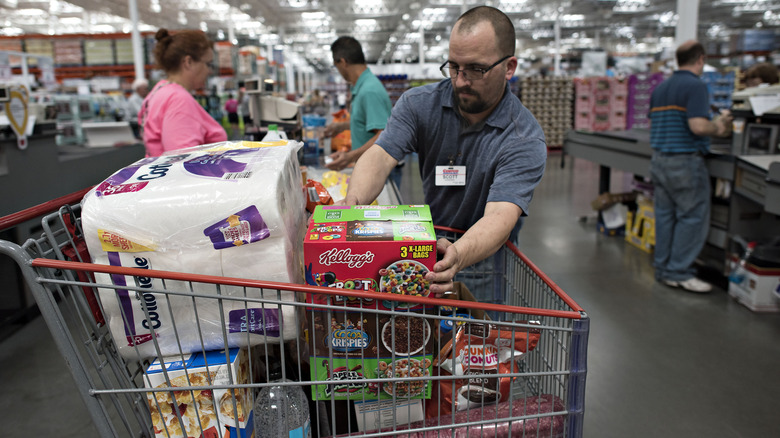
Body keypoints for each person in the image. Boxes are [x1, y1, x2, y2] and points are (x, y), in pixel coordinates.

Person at [341, 6, 547, 298]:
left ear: (509, 67)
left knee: (476, 339)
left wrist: (457, 256)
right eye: (454, 66)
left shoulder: (523, 138)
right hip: (428, 251)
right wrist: (353, 202)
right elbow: (381, 154)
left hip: (484, 264)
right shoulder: (419, 105)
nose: (461, 80)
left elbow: (500, 215)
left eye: (476, 69)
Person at [648, 40, 733, 293]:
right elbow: (698, 126)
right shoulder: (695, 86)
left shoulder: (661, 87)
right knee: (691, 217)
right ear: (700, 59)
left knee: (665, 216)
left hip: (659, 160)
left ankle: (663, 268)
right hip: (684, 160)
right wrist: (719, 125)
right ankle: (678, 272)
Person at [139, 29, 227, 157]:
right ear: (188, 62)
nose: (210, 71)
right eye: (208, 64)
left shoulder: (159, 91)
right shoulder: (178, 99)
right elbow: (184, 162)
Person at [323, 36, 399, 185]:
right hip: (369, 169)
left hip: (378, 173)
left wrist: (349, 156)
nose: (337, 70)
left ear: (343, 62)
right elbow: (367, 121)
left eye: (335, 65)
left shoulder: (369, 91)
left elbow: (383, 135)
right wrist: (341, 126)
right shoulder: (361, 86)